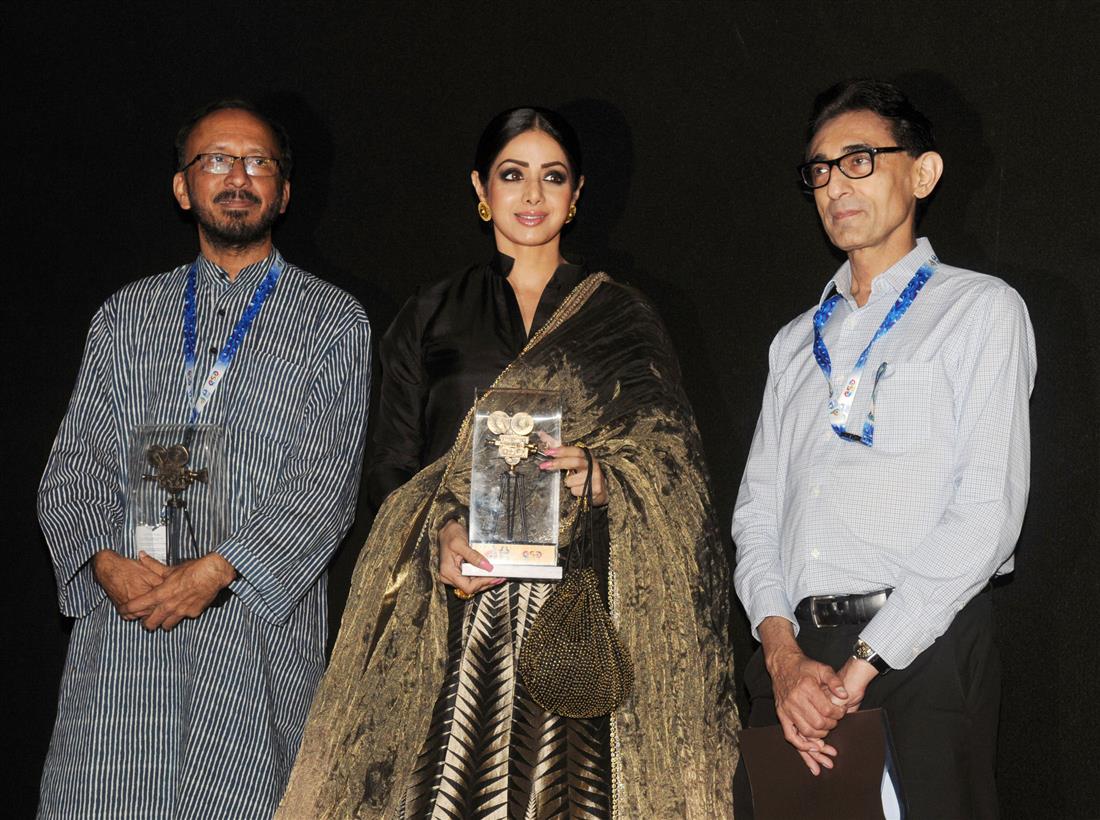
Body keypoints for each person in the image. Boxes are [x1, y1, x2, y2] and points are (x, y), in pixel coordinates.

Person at [279, 107, 738, 818]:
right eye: (512, 175)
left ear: (577, 193)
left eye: (552, 177)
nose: (532, 196)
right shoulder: (431, 314)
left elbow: (675, 464)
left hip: (577, 620)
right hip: (453, 616)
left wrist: (604, 474)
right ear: (480, 188)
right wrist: (439, 537)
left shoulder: (619, 316)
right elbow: (392, 469)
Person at [37, 99, 371, 819]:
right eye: (215, 160)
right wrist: (103, 562)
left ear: (285, 190)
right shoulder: (124, 317)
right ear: (183, 187)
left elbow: (324, 488)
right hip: (126, 639)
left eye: (259, 163)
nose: (238, 177)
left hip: (247, 635)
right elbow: (72, 471)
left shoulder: (333, 322)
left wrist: (219, 569)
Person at [731, 79, 1035, 818]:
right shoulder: (793, 344)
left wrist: (865, 664)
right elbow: (756, 515)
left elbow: (986, 511)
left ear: (923, 173)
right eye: (821, 170)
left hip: (921, 651)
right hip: (795, 670)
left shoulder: (979, 310)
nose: (835, 183)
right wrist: (781, 657)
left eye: (860, 159)